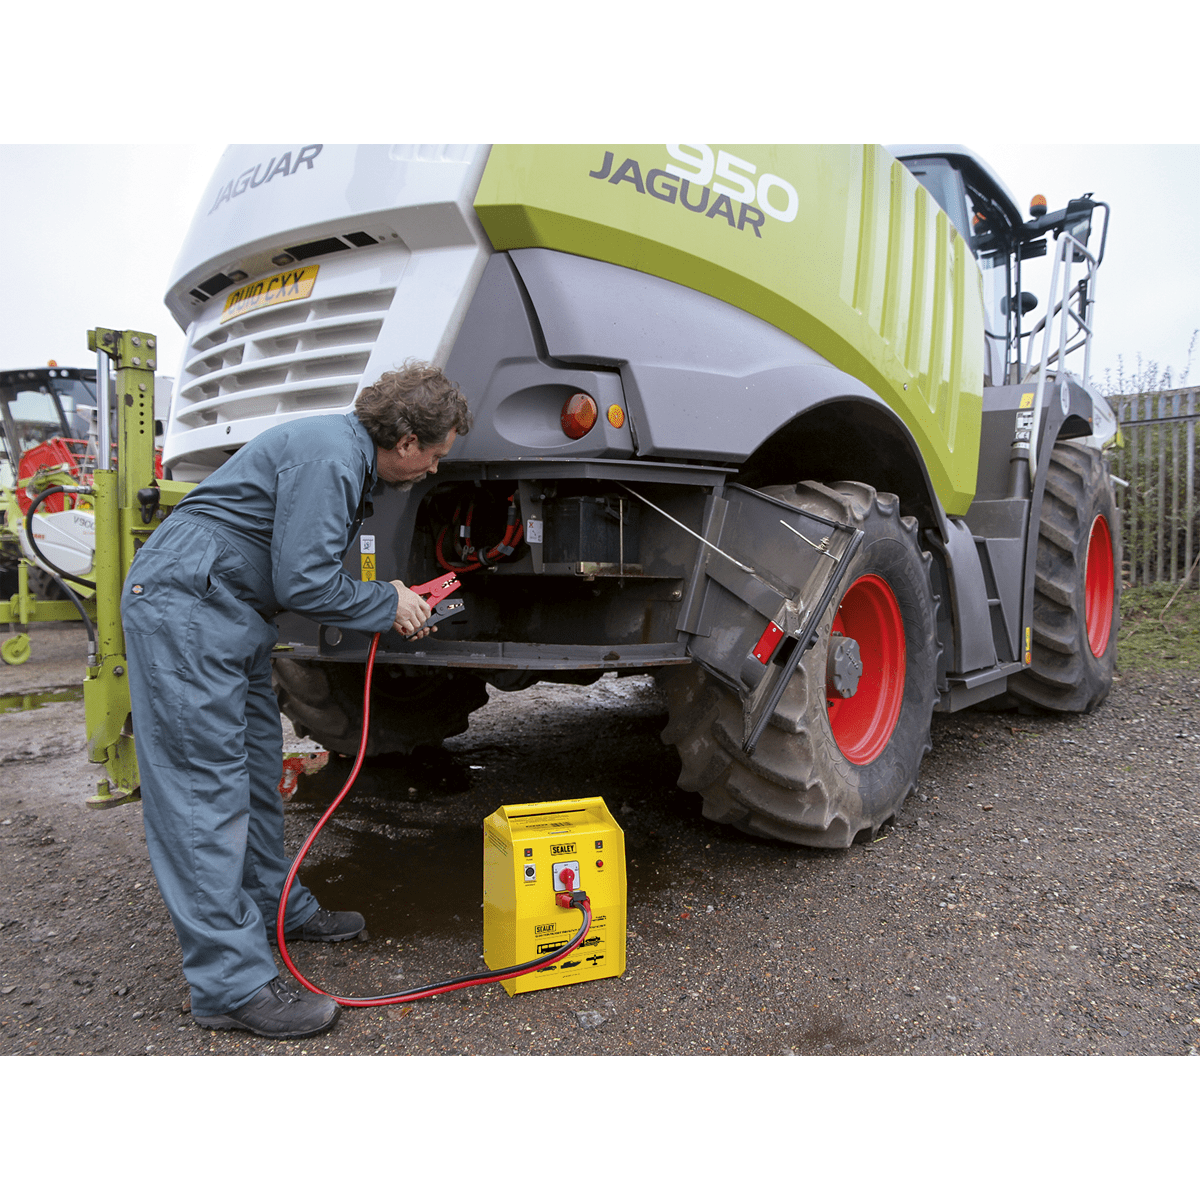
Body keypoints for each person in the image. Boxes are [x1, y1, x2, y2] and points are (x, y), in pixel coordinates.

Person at [121, 362, 470, 1039]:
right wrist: (385, 603)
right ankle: (229, 983)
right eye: (433, 455)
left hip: (231, 615)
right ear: (403, 439)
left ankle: (273, 908)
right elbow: (306, 583)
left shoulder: (340, 455)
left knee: (253, 772)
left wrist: (384, 596)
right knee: (203, 792)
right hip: (190, 608)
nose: (432, 470)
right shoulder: (331, 455)